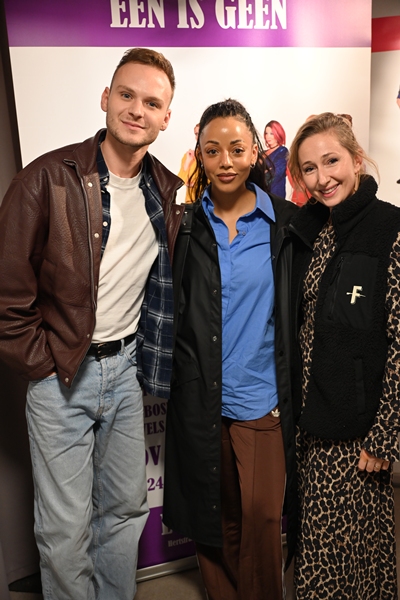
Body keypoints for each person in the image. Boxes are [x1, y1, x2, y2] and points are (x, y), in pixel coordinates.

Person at [0, 48, 184, 600]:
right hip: (61, 374)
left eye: (152, 102)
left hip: (125, 372)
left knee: (125, 512)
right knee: (64, 530)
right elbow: (7, 294)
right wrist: (44, 363)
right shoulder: (46, 179)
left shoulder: (164, 191)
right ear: (106, 98)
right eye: (126, 95)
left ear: (166, 117)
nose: (137, 110)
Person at [163, 99, 298, 600]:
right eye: (213, 150)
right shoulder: (183, 226)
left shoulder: (285, 224)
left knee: (262, 516)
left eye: (237, 149)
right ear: (199, 154)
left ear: (255, 153)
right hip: (201, 399)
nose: (225, 161)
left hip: (262, 398)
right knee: (215, 519)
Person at [287, 112, 400, 598]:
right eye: (309, 169)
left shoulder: (390, 228)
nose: (322, 178)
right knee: (326, 557)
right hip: (313, 424)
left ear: (356, 160)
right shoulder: (318, 229)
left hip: (358, 438)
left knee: (353, 566)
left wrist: (384, 436)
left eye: (331, 161)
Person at [263, 119, 288, 198]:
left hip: (275, 197)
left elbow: (274, 174)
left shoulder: (282, 151)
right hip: (260, 196)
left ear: (278, 134)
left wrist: (260, 175)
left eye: (272, 133)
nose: (268, 136)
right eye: (266, 133)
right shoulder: (261, 153)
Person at [178, 122, 200, 202]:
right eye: (196, 134)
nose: (198, 137)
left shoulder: (212, 156)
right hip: (190, 203)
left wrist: (193, 183)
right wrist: (188, 161)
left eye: (201, 133)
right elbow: (180, 181)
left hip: (209, 203)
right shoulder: (188, 155)